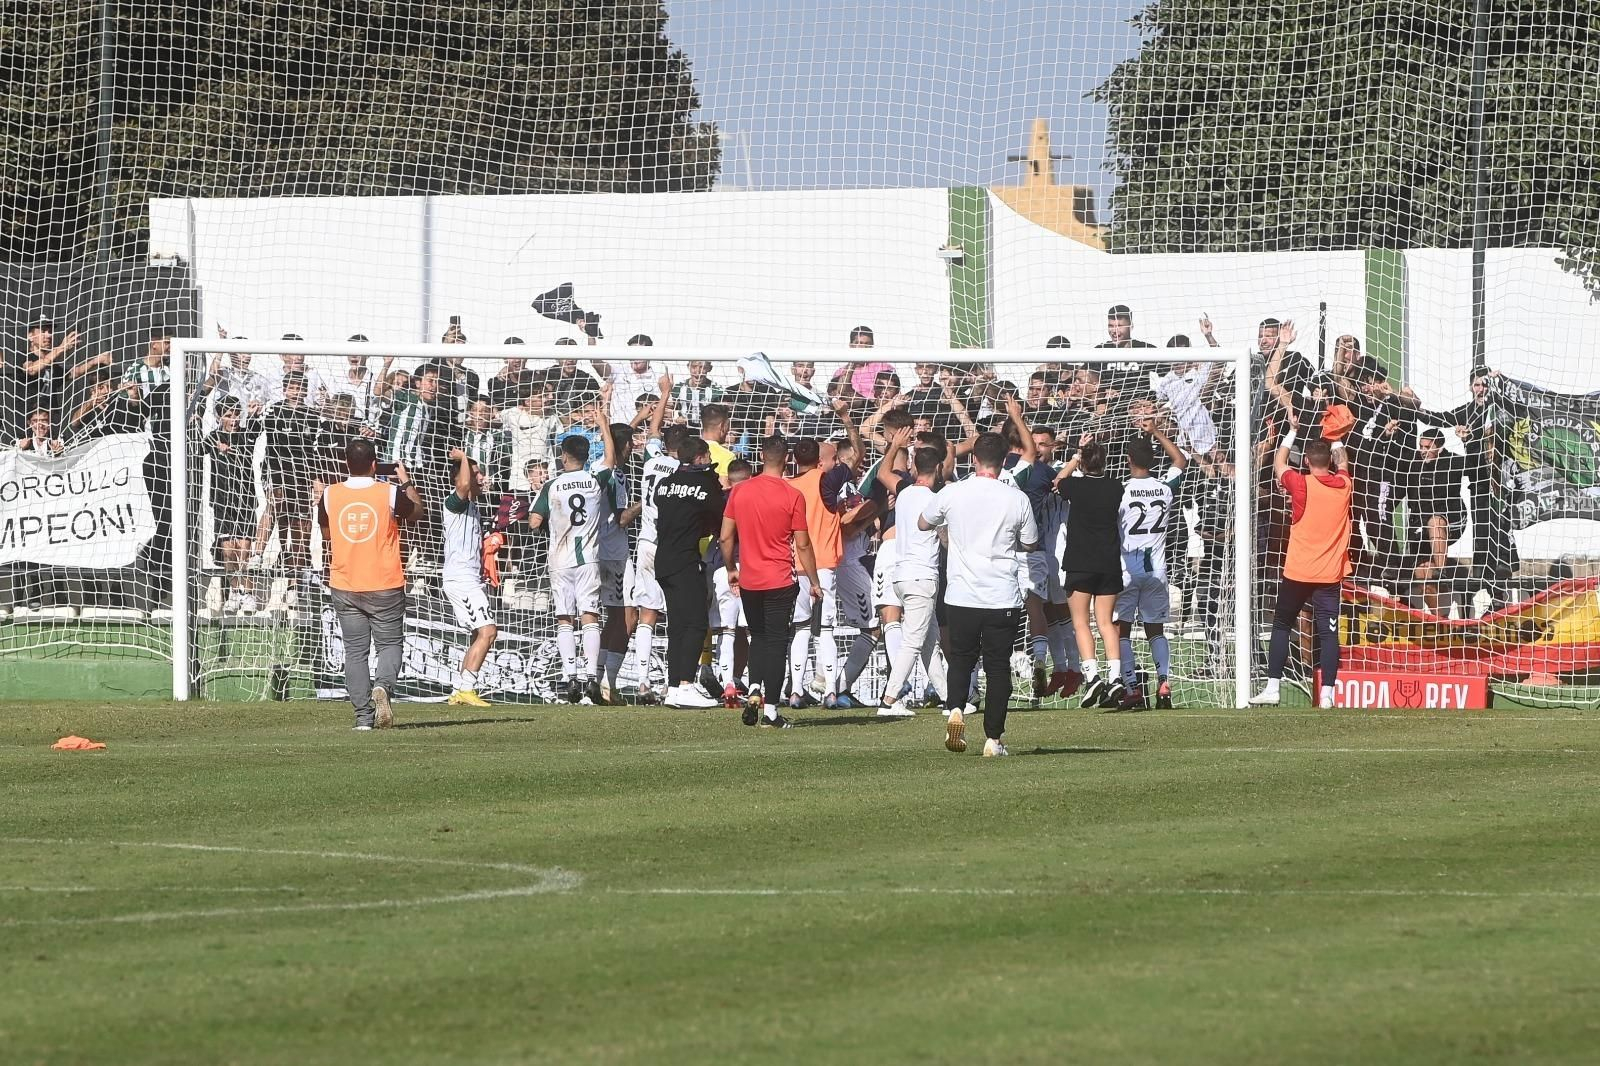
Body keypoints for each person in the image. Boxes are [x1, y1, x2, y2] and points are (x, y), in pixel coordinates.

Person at [920, 432, 1039, 758]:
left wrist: (949, 530)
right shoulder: (1016, 498)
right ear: (1003, 463)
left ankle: (956, 707)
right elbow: (1031, 542)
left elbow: (923, 522)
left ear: (973, 459)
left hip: (961, 594)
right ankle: (993, 739)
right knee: (999, 667)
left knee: (962, 658)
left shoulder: (953, 492)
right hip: (1002, 594)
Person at [318, 438, 421, 730]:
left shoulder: (330, 494)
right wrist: (406, 482)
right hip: (384, 581)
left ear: (346, 464)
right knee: (389, 644)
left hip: (345, 582)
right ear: (375, 464)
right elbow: (416, 513)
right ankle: (384, 688)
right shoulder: (388, 492)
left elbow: (327, 534)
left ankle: (363, 718)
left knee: (355, 651)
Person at [720, 435, 823, 728]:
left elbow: (726, 536)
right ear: (787, 458)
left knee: (758, 636)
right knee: (777, 642)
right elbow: (802, 544)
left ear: (761, 457)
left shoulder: (741, 492)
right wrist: (814, 581)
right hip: (780, 578)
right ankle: (772, 710)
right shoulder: (792, 496)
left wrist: (731, 568)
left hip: (750, 578)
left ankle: (754, 687)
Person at [1250, 430, 1353, 708]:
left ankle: (1273, 687)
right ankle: (1328, 695)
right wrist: (1336, 437)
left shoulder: (1301, 484)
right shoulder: (1344, 485)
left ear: (1306, 461)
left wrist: (1291, 431)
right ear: (1329, 462)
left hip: (1297, 572)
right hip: (1329, 575)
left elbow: (1279, 464)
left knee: (1282, 624)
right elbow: (1343, 462)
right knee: (1329, 633)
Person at [528, 429, 622, 704]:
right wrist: (604, 424)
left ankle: (571, 678)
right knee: (590, 616)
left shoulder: (552, 486)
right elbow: (610, 459)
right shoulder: (594, 481)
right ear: (584, 456)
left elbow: (534, 521)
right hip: (589, 560)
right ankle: (592, 677)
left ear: (564, 456)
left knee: (564, 619)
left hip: (560, 560)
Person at [1113, 427, 1189, 710]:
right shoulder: (1165, 488)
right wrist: (1156, 431)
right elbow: (1180, 461)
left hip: (1126, 569)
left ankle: (1132, 687)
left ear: (1128, 459)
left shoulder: (1121, 491)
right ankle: (1164, 681)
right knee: (1155, 630)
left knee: (1121, 630)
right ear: (1154, 460)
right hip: (1157, 570)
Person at [875, 428, 947, 716]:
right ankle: (889, 701)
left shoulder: (904, 491)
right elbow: (945, 537)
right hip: (922, 576)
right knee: (914, 641)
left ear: (914, 467)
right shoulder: (937, 498)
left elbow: (882, 473)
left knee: (929, 640)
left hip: (902, 575)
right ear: (939, 468)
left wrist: (894, 446)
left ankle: (950, 697)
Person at [652, 434, 726, 708]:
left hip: (663, 559)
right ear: (699, 457)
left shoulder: (665, 484)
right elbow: (719, 515)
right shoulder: (705, 484)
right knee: (696, 623)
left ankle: (674, 686)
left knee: (678, 627)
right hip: (685, 559)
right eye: (706, 456)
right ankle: (685, 683)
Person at [1054, 435, 1127, 709]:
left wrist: (1075, 455)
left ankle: (1092, 674)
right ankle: (1116, 676)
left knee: (1081, 622)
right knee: (1107, 622)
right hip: (1108, 563)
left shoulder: (1075, 485)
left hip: (1080, 561)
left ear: (1083, 463)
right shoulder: (1115, 487)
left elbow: (1057, 481)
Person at [440, 451, 498, 707]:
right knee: (488, 631)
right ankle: (466, 688)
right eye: (476, 474)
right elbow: (463, 484)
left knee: (480, 634)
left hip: (469, 578)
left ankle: (460, 692)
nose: (481, 477)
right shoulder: (455, 502)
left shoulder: (473, 507)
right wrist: (464, 457)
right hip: (461, 579)